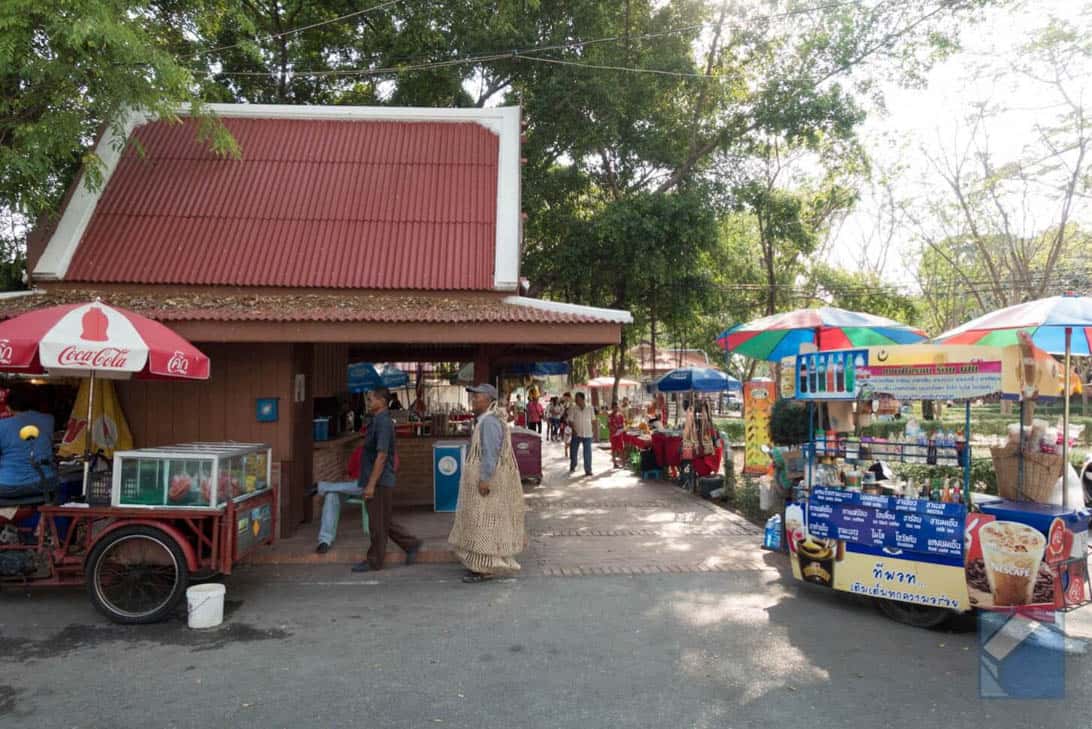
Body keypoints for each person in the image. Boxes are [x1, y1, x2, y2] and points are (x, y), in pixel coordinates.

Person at [448, 383, 526, 583]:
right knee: (483, 522)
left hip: (488, 482)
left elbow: (490, 453)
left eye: (478, 396)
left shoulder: (490, 422)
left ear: (489, 400)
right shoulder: (486, 420)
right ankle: (483, 565)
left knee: (484, 523)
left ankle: (485, 568)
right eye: (473, 396)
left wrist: (484, 479)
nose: (474, 399)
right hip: (487, 480)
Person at [351, 387, 421, 573]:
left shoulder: (382, 423)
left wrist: (372, 484)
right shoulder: (376, 421)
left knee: (377, 524)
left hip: (380, 481)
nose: (368, 401)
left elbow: (381, 455)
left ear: (382, 401)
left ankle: (374, 561)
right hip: (375, 479)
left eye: (371, 398)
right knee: (382, 521)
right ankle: (411, 544)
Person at [0, 385, 55, 498]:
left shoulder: (2, 425)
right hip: (44, 482)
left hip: (8, 485)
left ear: (8, 407)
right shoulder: (49, 420)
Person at [568, 392, 594, 476]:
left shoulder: (590, 408)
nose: (575, 400)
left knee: (587, 453)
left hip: (588, 434)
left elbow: (593, 420)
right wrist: (574, 430)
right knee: (573, 451)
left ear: (582, 399)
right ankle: (573, 465)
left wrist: (594, 432)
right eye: (575, 398)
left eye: (577, 398)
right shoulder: (573, 408)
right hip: (576, 434)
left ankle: (588, 470)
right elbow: (570, 421)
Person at [608, 401, 626, 469]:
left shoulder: (620, 415)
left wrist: (622, 428)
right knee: (614, 449)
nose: (616, 409)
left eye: (617, 407)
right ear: (612, 408)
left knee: (621, 448)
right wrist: (613, 429)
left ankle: (623, 463)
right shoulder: (610, 416)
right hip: (613, 435)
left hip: (620, 434)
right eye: (614, 407)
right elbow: (609, 425)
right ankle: (615, 463)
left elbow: (623, 424)